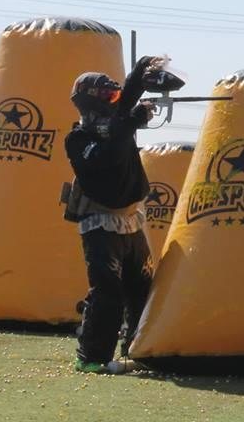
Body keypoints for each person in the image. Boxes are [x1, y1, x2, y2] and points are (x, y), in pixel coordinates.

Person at [65, 55, 160, 373]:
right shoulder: (77, 140)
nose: (114, 100)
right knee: (108, 293)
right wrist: (130, 122)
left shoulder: (117, 124)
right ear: (90, 100)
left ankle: (138, 350)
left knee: (142, 289)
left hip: (132, 222)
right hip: (100, 226)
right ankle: (91, 358)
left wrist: (141, 72)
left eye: (115, 94)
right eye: (107, 95)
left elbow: (127, 99)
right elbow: (107, 158)